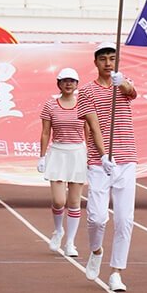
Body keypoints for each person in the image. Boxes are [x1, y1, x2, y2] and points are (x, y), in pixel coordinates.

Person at [77, 41, 137, 293]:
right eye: (103, 59)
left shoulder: (122, 84)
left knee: (124, 220)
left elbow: (132, 92)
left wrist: (120, 82)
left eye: (112, 58)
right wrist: (103, 156)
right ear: (96, 63)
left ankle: (116, 272)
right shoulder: (87, 91)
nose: (108, 63)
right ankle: (96, 250)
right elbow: (93, 125)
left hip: (127, 158)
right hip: (99, 162)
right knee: (97, 217)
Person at [37, 67, 86, 257]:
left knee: (74, 201)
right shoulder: (50, 105)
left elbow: (88, 130)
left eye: (72, 81)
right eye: (65, 81)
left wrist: (90, 153)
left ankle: (71, 242)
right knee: (59, 201)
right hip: (58, 152)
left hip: (77, 153)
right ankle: (58, 230)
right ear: (58, 84)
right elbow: (45, 132)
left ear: (76, 84)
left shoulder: (83, 105)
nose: (68, 84)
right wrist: (42, 156)